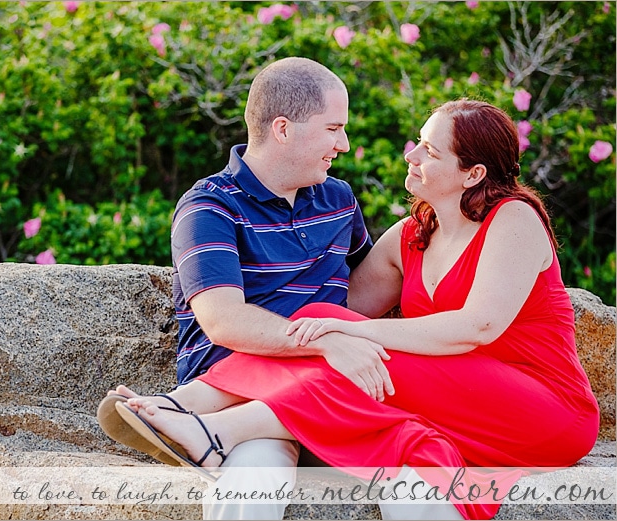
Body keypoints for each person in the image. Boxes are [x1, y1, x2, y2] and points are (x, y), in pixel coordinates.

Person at [106, 99, 600, 520]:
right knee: (326, 320)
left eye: (429, 150)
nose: (411, 154)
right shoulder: (411, 237)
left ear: (472, 173)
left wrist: (350, 339)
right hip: (455, 398)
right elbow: (335, 309)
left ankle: (209, 426)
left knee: (341, 336)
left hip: (541, 407)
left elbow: (476, 327)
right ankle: (193, 407)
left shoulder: (513, 218)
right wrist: (331, 334)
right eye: (418, 141)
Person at [98, 56, 379, 520]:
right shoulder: (209, 207)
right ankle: (193, 424)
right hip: (238, 395)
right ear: (284, 129)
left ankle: (177, 414)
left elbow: (373, 283)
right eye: (333, 129)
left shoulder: (338, 200)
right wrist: (330, 344)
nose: (343, 144)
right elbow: (223, 321)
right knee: (256, 479)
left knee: (420, 475)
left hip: (325, 394)